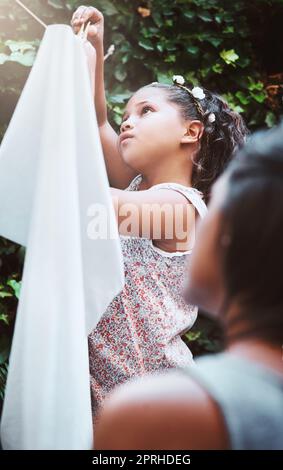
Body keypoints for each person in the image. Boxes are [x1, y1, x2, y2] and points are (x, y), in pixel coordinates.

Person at [71, 6, 248, 418]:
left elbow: (97, 208)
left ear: (191, 132)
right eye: (127, 114)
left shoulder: (180, 208)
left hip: (153, 400)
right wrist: (96, 47)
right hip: (108, 397)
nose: (127, 123)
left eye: (145, 111)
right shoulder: (137, 185)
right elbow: (98, 122)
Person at [94, 123, 283, 450]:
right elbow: (98, 123)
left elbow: (90, 208)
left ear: (236, 237)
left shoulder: (159, 413)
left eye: (215, 205)